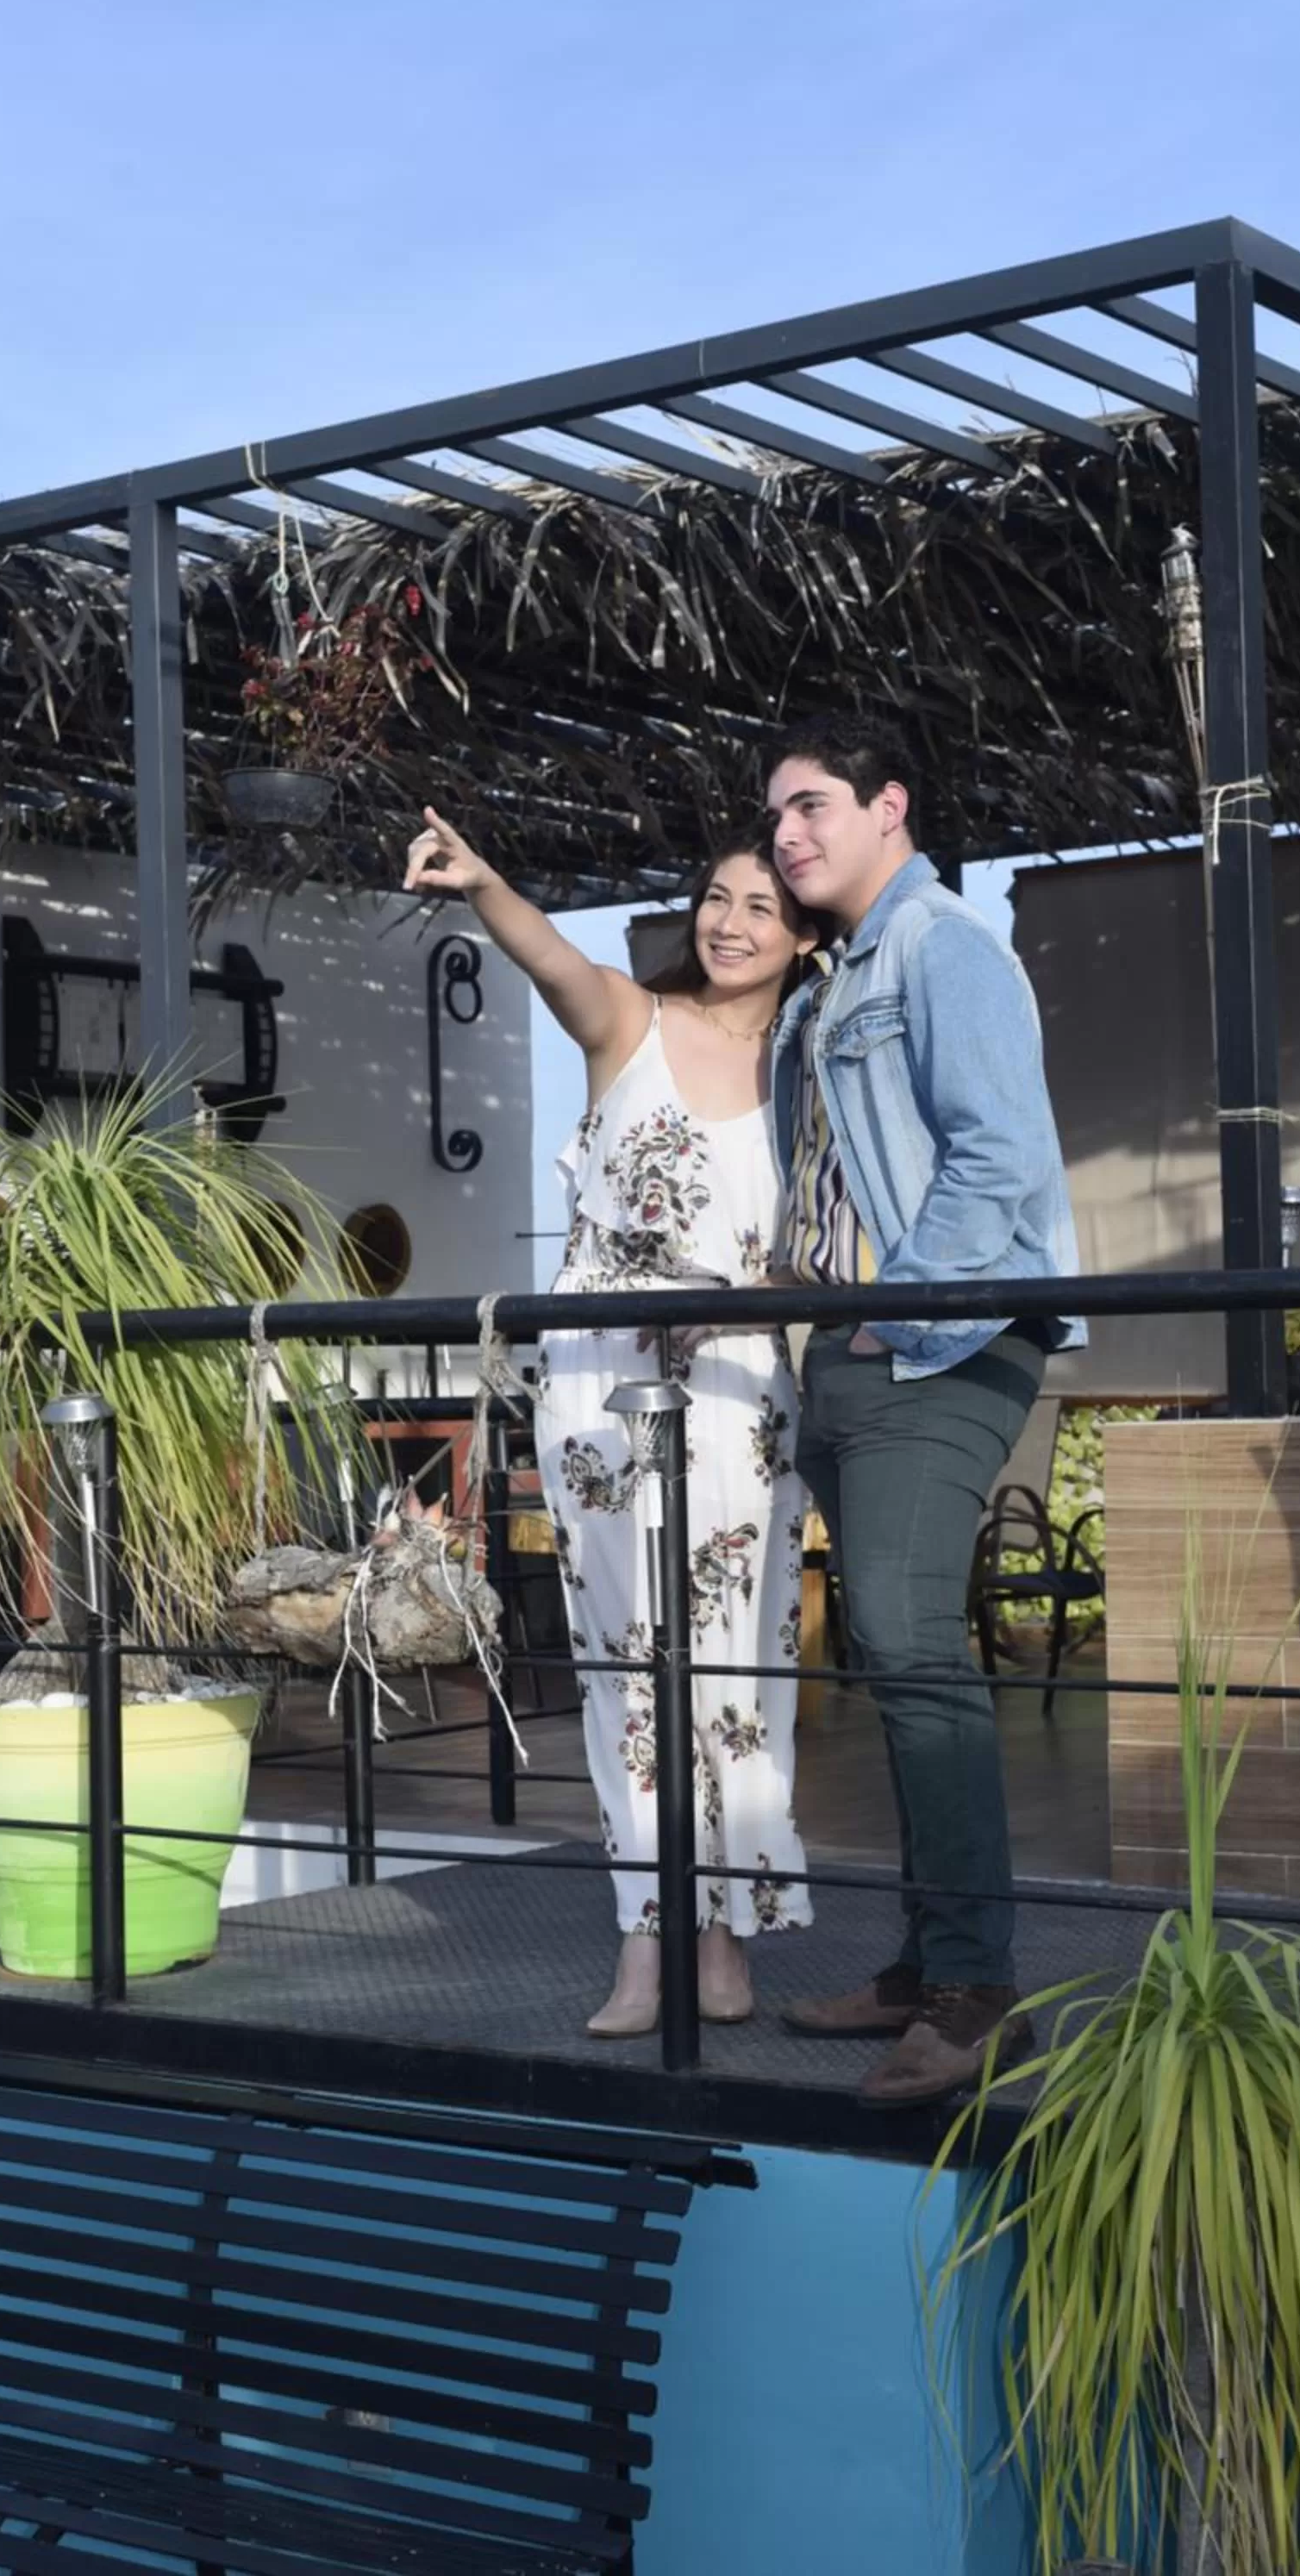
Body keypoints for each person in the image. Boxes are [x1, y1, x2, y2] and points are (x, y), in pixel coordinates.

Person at [403, 809, 820, 2038]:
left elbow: (825, 1244)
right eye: (715, 896)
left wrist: (765, 1297)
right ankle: (645, 1939)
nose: (729, 922)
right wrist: (483, 880)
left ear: (803, 937)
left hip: (738, 1392)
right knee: (625, 1677)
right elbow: (554, 963)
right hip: (597, 1388)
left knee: (737, 1669)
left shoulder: (813, 1071)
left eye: (760, 906)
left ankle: (729, 1933)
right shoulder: (632, 1026)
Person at [763, 713, 1083, 2108]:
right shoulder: (827, 980)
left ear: (889, 805)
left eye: (813, 805)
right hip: (854, 1350)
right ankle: (921, 1957)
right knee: (896, 1663)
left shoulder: (941, 946)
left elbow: (998, 1156)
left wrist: (898, 1307)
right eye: (774, 814)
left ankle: (972, 1994)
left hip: (941, 1343)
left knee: (900, 1635)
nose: (787, 834)